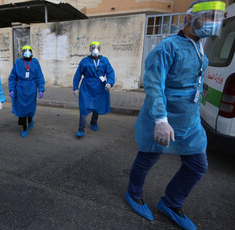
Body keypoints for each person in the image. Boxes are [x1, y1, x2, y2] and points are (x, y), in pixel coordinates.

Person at [124, 1, 225, 229]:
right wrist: (161, 119)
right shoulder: (167, 47)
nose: (213, 23)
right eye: (208, 17)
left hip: (190, 119)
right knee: (148, 157)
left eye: (216, 18)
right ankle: (133, 193)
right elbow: (153, 85)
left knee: (197, 165)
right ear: (190, 18)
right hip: (164, 116)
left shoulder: (199, 46)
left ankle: (171, 202)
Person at [73, 41, 115, 138]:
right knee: (84, 107)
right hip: (87, 87)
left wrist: (110, 83)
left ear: (100, 49)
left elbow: (110, 72)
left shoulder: (104, 60)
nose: (95, 50)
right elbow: (78, 74)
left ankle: (94, 122)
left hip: (100, 86)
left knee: (97, 106)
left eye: (97, 48)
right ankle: (81, 128)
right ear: (90, 49)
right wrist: (75, 87)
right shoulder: (84, 61)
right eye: (93, 48)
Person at [8, 45, 45, 138]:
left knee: (30, 106)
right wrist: (11, 89)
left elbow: (40, 76)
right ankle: (24, 127)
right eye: (25, 50)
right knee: (21, 108)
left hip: (31, 87)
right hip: (20, 87)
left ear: (32, 52)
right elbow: (12, 77)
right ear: (22, 52)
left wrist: (41, 89)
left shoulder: (35, 62)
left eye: (29, 51)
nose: (27, 52)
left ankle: (30, 119)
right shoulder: (18, 62)